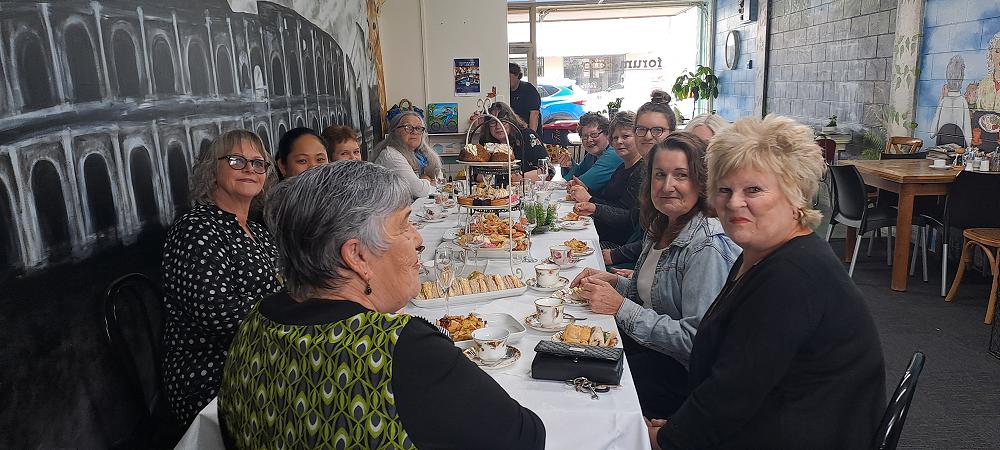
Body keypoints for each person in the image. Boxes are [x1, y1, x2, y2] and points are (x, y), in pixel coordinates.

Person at [218, 161, 546, 449]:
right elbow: (524, 438)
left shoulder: (256, 322)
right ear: (357, 256)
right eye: (403, 225)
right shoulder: (401, 349)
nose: (418, 239)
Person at [650, 115, 886, 450]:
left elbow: (734, 392)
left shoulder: (792, 277)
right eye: (725, 190)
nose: (734, 202)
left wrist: (665, 439)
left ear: (795, 195)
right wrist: (682, 426)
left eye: (754, 190)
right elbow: (737, 381)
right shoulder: (762, 253)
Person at [571, 132, 740, 418]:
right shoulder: (661, 225)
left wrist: (620, 307)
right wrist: (615, 283)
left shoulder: (707, 246)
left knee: (580, 391)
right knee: (570, 352)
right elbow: (652, 296)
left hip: (680, 377)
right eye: (659, 175)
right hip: (651, 351)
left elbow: (696, 342)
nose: (667, 185)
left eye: (681, 175)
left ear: (702, 182)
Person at [160, 130, 283, 425]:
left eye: (258, 163)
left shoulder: (257, 229)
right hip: (214, 372)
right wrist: (292, 317)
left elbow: (284, 284)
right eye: (237, 160)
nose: (250, 169)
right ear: (211, 170)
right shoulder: (196, 228)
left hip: (264, 354)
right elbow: (218, 314)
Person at [605, 111, 727, 270]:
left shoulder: (708, 243)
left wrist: (616, 255)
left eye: (681, 174)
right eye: (641, 129)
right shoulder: (661, 220)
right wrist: (624, 281)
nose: (648, 136)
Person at [371, 111, 442, 198]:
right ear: (394, 132)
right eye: (408, 127)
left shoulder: (421, 154)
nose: (414, 132)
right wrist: (427, 179)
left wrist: (427, 183)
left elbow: (439, 177)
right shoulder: (391, 156)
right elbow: (419, 191)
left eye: (418, 128)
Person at [477, 101, 549, 181]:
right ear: (487, 125)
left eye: (503, 121)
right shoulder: (485, 142)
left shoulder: (527, 136)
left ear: (511, 121)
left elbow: (548, 169)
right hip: (492, 188)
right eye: (493, 122)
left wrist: (521, 178)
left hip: (527, 186)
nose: (498, 126)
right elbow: (476, 174)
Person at [557, 112, 623, 192]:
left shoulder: (613, 154)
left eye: (594, 134)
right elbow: (578, 173)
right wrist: (569, 165)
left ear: (607, 134)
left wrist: (573, 183)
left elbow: (578, 184)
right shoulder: (592, 155)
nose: (589, 140)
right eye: (585, 137)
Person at [509, 62, 541, 133]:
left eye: (509, 77)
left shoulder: (528, 89)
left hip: (529, 129)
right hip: (515, 130)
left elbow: (534, 114)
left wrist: (531, 135)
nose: (507, 81)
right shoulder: (506, 91)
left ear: (517, 75)